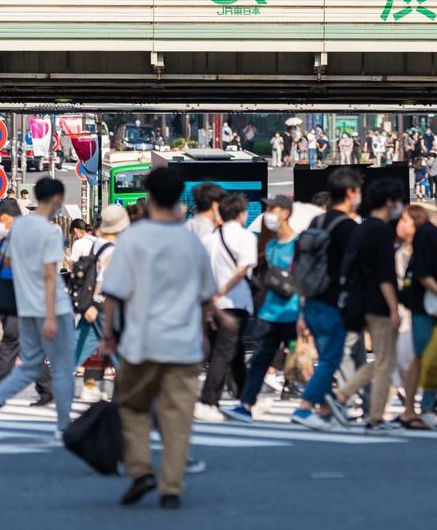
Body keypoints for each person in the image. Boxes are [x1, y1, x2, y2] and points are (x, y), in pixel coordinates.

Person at [99, 167, 222, 510]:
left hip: (141, 341)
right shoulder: (190, 242)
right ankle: (171, 487)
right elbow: (205, 297)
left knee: (132, 407)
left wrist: (108, 334)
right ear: (179, 198)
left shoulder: (133, 239)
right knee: (178, 418)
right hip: (184, 344)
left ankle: (140, 469)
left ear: (149, 196)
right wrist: (203, 334)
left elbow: (114, 293)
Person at [0, 177, 75, 441]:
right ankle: (64, 426)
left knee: (30, 366)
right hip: (53, 308)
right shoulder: (50, 232)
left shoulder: (17, 228)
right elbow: (50, 275)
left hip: (26, 307)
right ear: (56, 199)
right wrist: (51, 316)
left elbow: (7, 263)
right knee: (63, 368)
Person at [224, 195, 309, 423]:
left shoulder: (299, 244)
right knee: (260, 359)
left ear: (286, 213)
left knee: (299, 360)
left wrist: (304, 314)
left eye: (273, 209)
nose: (268, 213)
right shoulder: (270, 246)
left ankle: (315, 403)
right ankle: (246, 404)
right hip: (269, 313)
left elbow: (304, 280)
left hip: (292, 313)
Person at [331, 178, 407, 432]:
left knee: (383, 359)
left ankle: (342, 394)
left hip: (361, 300)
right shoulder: (382, 231)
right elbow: (385, 275)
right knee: (385, 362)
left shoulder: (362, 228)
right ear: (389, 202)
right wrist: (394, 308)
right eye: (397, 201)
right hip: (379, 303)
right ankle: (375, 417)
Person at [291, 167, 361, 430]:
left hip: (311, 299)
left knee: (325, 358)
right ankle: (305, 406)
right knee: (331, 359)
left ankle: (326, 409)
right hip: (333, 301)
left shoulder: (316, 222)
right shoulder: (348, 227)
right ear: (351, 192)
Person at [396, 184, 437, 430]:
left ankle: (427, 408)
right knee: (421, 355)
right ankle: (411, 409)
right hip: (424, 301)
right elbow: (422, 272)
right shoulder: (425, 232)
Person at [0, 198, 52, 405]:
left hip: (20, 299)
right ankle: (49, 388)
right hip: (8, 297)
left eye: (1, 218)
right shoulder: (8, 239)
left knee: (9, 343)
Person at [197, 193, 257, 421]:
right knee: (223, 353)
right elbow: (243, 270)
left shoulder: (209, 239)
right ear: (241, 213)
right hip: (235, 302)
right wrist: (223, 290)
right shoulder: (245, 237)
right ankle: (207, 400)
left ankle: (245, 398)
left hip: (213, 304)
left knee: (235, 351)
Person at [73, 204, 129, 403]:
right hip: (105, 305)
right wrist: (95, 304)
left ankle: (89, 385)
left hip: (91, 303)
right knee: (117, 349)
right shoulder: (112, 249)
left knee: (81, 346)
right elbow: (102, 280)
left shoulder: (96, 243)